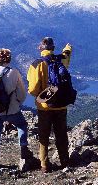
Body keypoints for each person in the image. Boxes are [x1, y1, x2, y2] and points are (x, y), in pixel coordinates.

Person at [27, 37, 72, 173]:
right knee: (61, 134)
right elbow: (67, 55)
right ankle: (65, 161)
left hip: (45, 107)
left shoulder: (37, 64)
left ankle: (45, 165)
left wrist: (40, 94)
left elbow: (33, 88)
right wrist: (68, 48)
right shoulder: (60, 60)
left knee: (44, 135)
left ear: (41, 48)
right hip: (61, 105)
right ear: (53, 48)